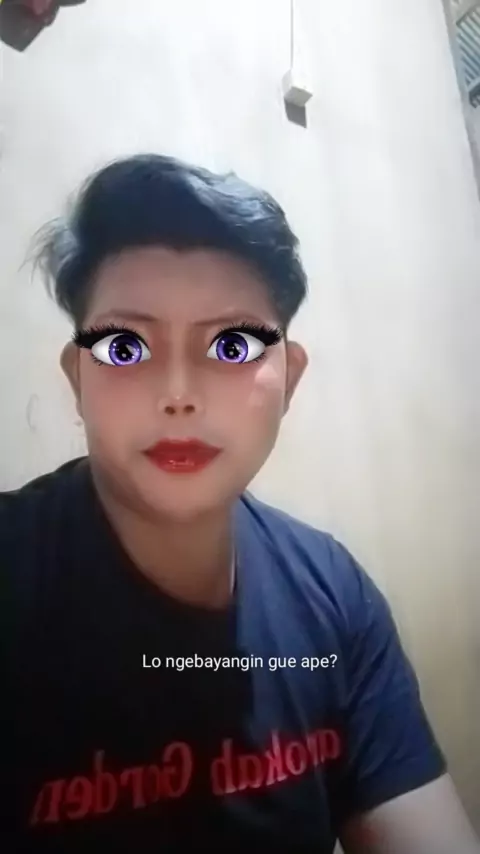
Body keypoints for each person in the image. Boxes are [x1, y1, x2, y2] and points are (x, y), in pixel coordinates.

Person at [1, 154, 478, 854]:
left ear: (290, 378)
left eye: (231, 344)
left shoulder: (332, 593)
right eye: (125, 347)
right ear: (78, 378)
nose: (178, 393)